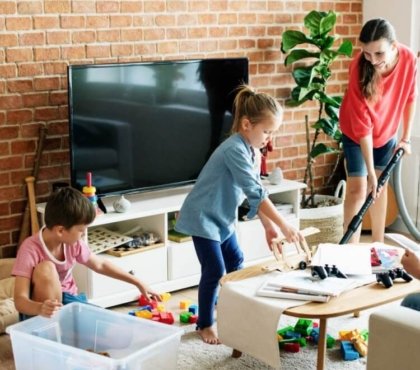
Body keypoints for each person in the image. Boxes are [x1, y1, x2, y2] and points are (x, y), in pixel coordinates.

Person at [175, 84, 304, 344]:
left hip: (222, 218)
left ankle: (233, 309)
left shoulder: (252, 151)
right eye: (267, 131)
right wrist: (284, 224)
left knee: (236, 263)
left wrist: (269, 226)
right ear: (246, 125)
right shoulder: (234, 149)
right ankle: (205, 323)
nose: (269, 138)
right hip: (203, 217)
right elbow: (257, 193)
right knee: (214, 270)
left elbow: (252, 192)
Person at [13, 187, 161, 319]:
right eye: (81, 230)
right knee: (46, 268)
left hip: (70, 300)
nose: (84, 235)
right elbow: (20, 300)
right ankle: (54, 334)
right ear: (60, 230)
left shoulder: (73, 243)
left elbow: (100, 264)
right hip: (40, 310)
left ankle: (70, 332)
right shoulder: (29, 249)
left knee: (118, 332)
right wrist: (40, 308)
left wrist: (138, 283)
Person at [339, 18, 417, 243]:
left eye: (379, 54)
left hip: (387, 130)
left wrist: (406, 138)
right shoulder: (358, 67)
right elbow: (362, 124)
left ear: (393, 47)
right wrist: (371, 172)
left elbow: (410, 97)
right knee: (358, 187)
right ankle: (349, 251)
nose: (372, 61)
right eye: (367, 53)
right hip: (356, 132)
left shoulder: (409, 59)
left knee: (380, 188)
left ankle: (378, 245)